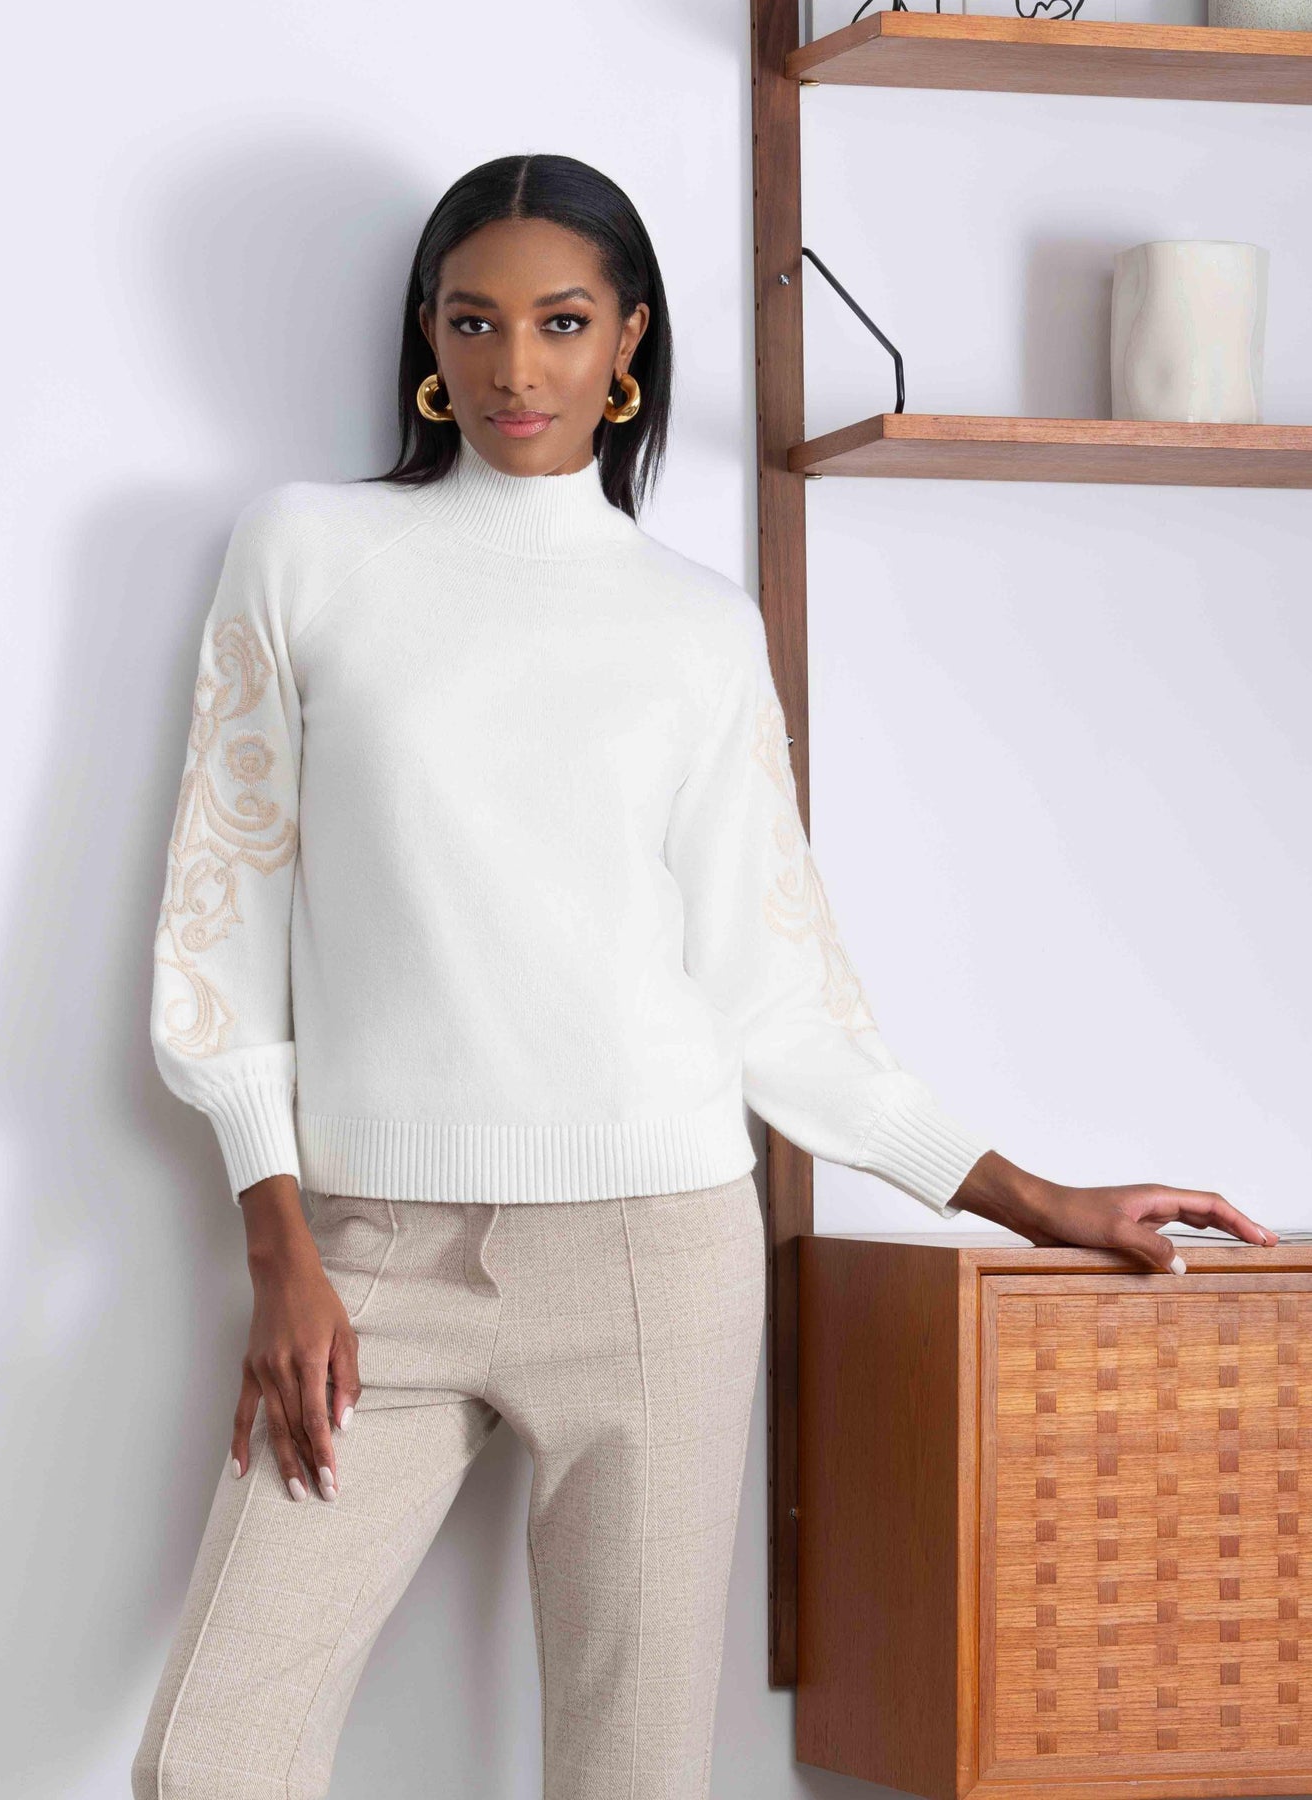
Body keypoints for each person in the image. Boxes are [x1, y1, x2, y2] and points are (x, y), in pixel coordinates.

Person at [131, 152, 1277, 1800]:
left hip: (653, 1257)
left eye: (560, 321)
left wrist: (1027, 1198)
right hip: (372, 1253)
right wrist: (279, 1242)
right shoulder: (306, 552)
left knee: (632, 1772)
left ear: (629, 343)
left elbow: (770, 991)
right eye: (471, 320)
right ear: (426, 339)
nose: (513, 365)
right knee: (210, 1758)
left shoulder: (693, 626)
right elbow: (220, 910)